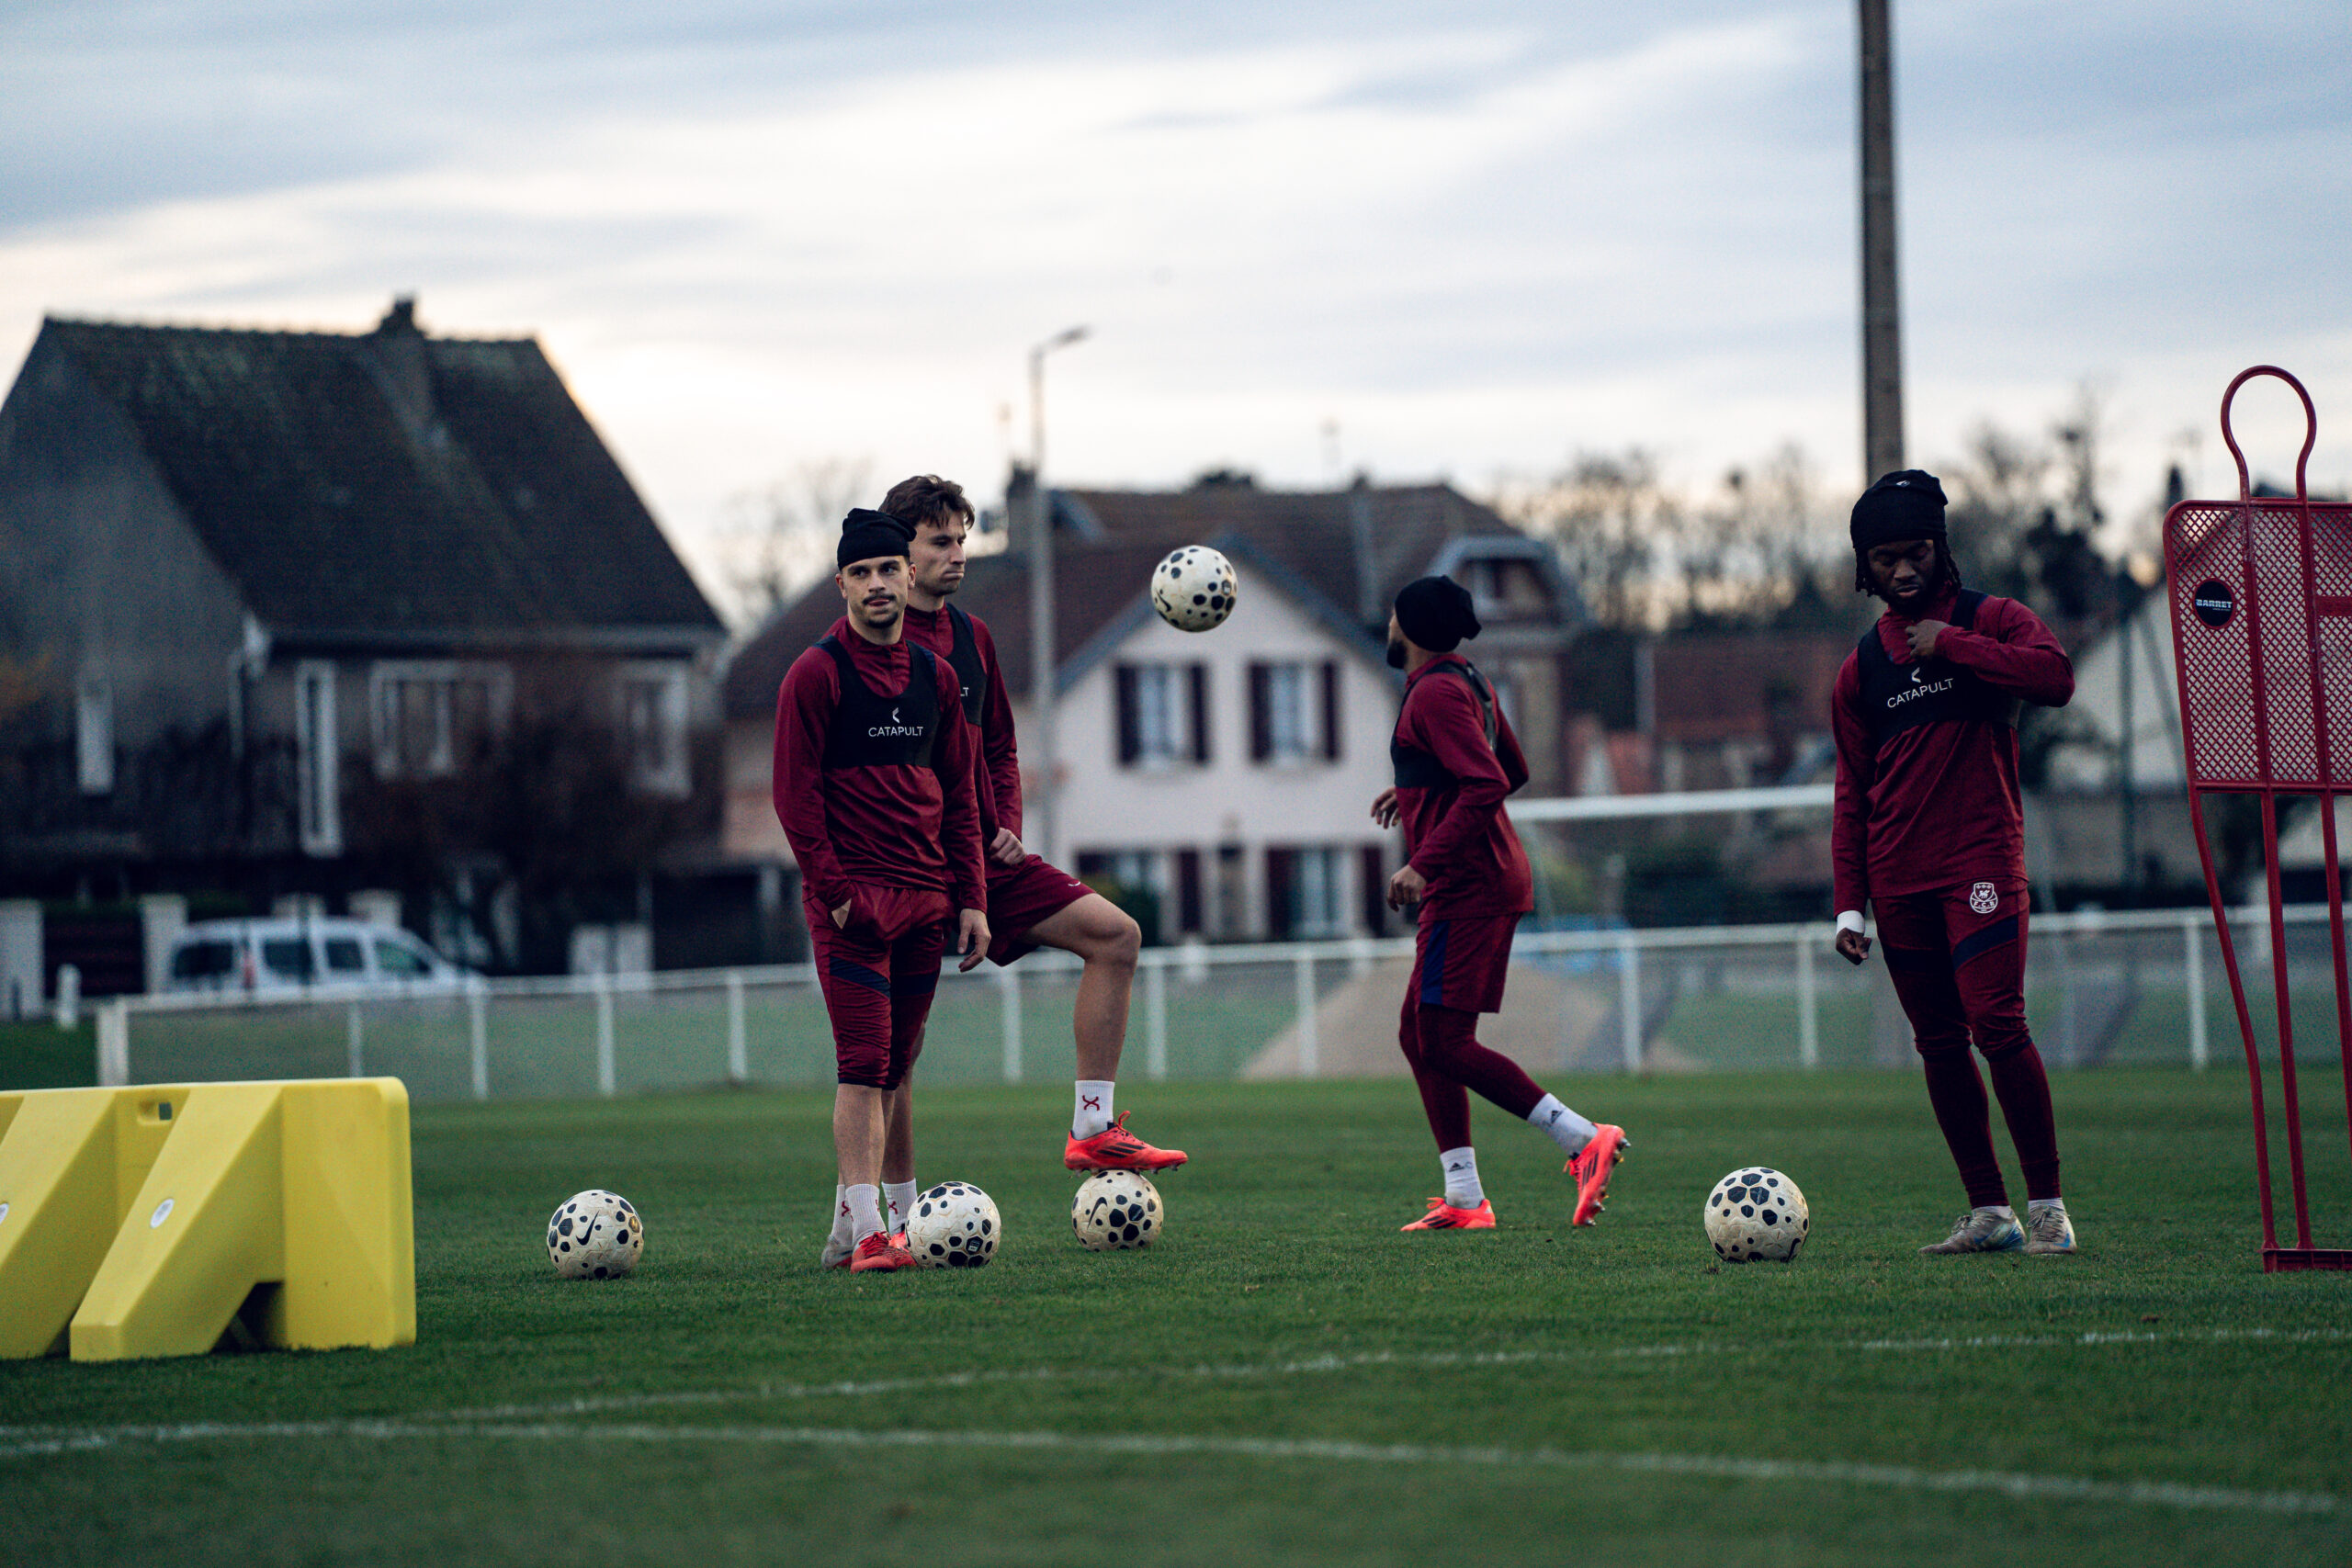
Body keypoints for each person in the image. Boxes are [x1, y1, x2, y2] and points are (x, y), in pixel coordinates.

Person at [876, 473, 1187, 1174]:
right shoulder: (872, 642)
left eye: (962, 539)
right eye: (940, 541)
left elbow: (1000, 747)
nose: (958, 554)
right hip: (910, 865)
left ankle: (1092, 1127)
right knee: (896, 1052)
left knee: (1116, 936)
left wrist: (1007, 823)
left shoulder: (973, 636)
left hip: (986, 858)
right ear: (902, 550)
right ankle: (889, 1214)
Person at [1829, 469, 2079, 1257]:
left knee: (1997, 1023)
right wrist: (1849, 903)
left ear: (1941, 548)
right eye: (1885, 559)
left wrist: (1955, 645)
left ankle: (2049, 1209)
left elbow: (2057, 678)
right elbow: (1852, 792)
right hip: (1897, 879)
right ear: (1865, 568)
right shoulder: (1859, 669)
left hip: (1980, 864)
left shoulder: (1992, 619)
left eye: (1916, 553)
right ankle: (1989, 1212)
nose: (1903, 570)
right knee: (1938, 1043)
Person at [1371, 575, 1626, 1232]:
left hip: (1468, 884)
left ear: (1412, 627)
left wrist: (1423, 861)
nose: (1388, 625)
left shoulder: (1434, 692)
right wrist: (1420, 791)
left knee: (1444, 1041)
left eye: (1395, 615)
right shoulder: (1468, 680)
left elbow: (1486, 781)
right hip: (1484, 879)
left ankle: (1581, 1138)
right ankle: (1464, 1197)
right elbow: (1510, 769)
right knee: (1419, 1035)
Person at [775, 509, 990, 1273]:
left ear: (908, 575)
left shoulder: (937, 678)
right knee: (863, 1062)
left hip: (926, 903)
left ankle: (857, 1227)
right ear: (841, 584)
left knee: (898, 1062)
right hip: (854, 909)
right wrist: (836, 893)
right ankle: (872, 1233)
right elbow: (795, 800)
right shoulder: (815, 674)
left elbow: (960, 796)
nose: (876, 584)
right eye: (860, 572)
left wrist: (972, 897)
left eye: (888, 569)